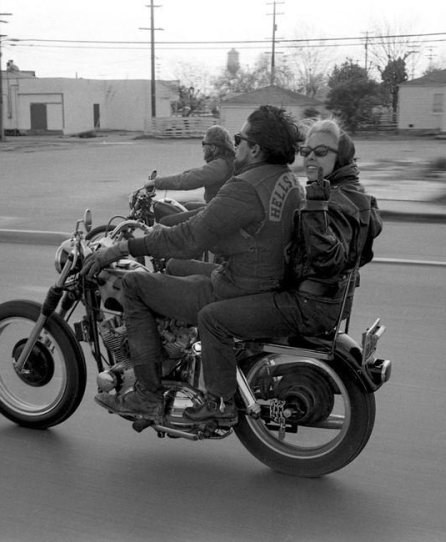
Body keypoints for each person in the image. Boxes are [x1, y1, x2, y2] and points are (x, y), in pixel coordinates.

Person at [82, 105, 304, 425]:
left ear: (255, 148)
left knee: (134, 285)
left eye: (240, 138)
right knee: (175, 267)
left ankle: (147, 394)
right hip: (262, 279)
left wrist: (123, 247)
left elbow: (190, 237)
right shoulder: (286, 179)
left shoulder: (246, 185)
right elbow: (215, 223)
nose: (235, 143)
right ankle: (176, 356)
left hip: (237, 288)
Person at [191, 119, 383, 414]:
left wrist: (316, 205)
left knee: (212, 318)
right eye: (306, 150)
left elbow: (328, 260)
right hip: (328, 301)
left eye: (321, 151)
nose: (310, 157)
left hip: (306, 305)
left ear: (340, 156)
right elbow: (357, 254)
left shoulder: (330, 200)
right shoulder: (357, 194)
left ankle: (218, 404)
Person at [147, 125, 235, 226]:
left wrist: (156, 183)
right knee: (186, 206)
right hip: (219, 207)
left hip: (218, 213)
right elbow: (193, 173)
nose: (202, 148)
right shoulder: (226, 161)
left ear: (213, 147)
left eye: (204, 144)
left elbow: (189, 180)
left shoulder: (220, 166)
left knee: (165, 222)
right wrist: (162, 180)